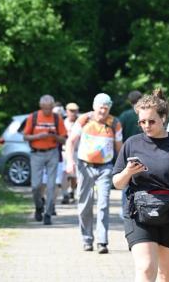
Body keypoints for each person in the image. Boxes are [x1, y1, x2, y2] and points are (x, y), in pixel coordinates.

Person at [112, 88, 169, 282]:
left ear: (163, 117)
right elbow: (117, 183)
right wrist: (128, 172)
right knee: (145, 268)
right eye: (142, 122)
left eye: (151, 121)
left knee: (166, 274)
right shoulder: (132, 143)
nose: (146, 126)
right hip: (139, 214)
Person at [65, 93, 122, 254]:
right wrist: (70, 161)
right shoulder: (84, 120)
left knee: (103, 203)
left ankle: (102, 242)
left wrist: (124, 167)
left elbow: (119, 148)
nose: (103, 111)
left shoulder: (115, 123)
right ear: (94, 106)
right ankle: (87, 239)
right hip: (85, 166)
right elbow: (70, 142)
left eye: (106, 108)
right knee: (85, 204)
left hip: (105, 167)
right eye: (100, 107)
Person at [23, 95, 67, 225]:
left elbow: (64, 139)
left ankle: (48, 214)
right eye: (45, 108)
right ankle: (38, 206)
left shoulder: (56, 118)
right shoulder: (34, 117)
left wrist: (54, 136)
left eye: (50, 108)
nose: (47, 111)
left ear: (53, 107)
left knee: (51, 185)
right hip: (37, 153)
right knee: (35, 185)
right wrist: (38, 136)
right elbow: (25, 136)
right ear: (40, 106)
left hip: (52, 152)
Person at [62, 102, 80, 203]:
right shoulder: (63, 123)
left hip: (77, 151)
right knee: (64, 174)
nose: (73, 113)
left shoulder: (80, 122)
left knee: (75, 175)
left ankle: (72, 191)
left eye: (75, 111)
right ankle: (65, 194)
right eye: (71, 111)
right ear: (67, 111)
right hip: (65, 151)